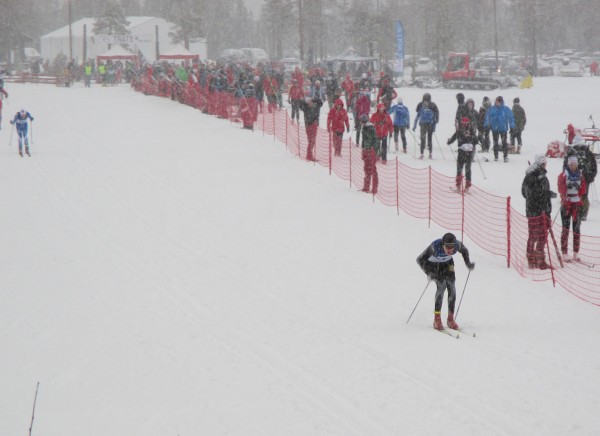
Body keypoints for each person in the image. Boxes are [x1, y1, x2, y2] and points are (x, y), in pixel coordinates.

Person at [416, 232, 475, 331]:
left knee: (452, 288)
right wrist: (429, 272)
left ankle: (450, 319)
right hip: (434, 266)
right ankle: (437, 319)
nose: (450, 250)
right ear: (443, 244)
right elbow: (420, 260)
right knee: (442, 286)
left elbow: (464, 250)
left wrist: (468, 263)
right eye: (447, 247)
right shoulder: (435, 246)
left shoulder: (456, 245)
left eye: (451, 247)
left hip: (448, 264)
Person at [521, 155, 557, 269]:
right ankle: (533, 259)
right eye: (544, 163)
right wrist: (544, 195)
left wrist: (547, 193)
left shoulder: (540, 174)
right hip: (536, 211)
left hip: (543, 209)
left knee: (542, 235)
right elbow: (527, 193)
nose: (545, 164)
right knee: (535, 235)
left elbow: (535, 192)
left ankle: (538, 258)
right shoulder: (532, 176)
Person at [558, 155, 587, 260]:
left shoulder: (581, 176)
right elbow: (560, 186)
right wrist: (564, 191)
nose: (573, 166)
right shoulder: (563, 175)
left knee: (576, 229)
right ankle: (564, 252)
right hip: (566, 203)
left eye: (574, 164)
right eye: (571, 164)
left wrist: (579, 190)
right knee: (565, 229)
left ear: (577, 164)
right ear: (568, 165)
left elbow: (583, 189)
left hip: (577, 204)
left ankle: (576, 251)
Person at [564, 135, 597, 221]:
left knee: (572, 195)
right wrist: (590, 178)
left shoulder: (571, 152)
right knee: (584, 196)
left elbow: (565, 166)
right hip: (585, 179)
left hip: (571, 178)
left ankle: (572, 212)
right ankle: (583, 214)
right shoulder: (588, 152)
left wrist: (566, 177)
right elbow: (594, 166)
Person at [447, 117, 478, 191]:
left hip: (462, 152)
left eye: (465, 123)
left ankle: (460, 186)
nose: (464, 124)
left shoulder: (461, 130)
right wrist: (471, 138)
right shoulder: (470, 130)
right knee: (467, 169)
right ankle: (466, 186)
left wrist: (449, 142)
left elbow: (453, 138)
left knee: (460, 168)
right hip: (468, 152)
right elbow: (476, 141)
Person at [484, 95, 515, 162]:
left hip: (503, 129)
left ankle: (505, 156)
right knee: (495, 143)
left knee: (504, 143)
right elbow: (487, 117)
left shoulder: (506, 109)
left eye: (498, 101)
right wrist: (487, 125)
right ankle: (496, 156)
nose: (497, 102)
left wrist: (512, 127)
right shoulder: (492, 109)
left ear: (501, 102)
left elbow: (511, 118)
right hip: (494, 129)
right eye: (496, 101)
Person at [359, 114, 379, 194]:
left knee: (372, 170)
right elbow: (365, 141)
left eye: (361, 121)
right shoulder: (365, 128)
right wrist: (364, 149)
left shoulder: (369, 128)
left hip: (371, 151)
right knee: (367, 169)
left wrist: (371, 150)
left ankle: (374, 188)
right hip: (367, 151)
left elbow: (372, 140)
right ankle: (366, 187)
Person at [300, 96, 323, 161]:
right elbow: (300, 104)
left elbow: (320, 102)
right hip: (308, 126)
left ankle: (309, 155)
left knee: (313, 141)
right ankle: (309, 155)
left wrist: (313, 99)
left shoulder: (316, 107)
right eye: (308, 102)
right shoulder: (305, 108)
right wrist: (304, 100)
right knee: (311, 141)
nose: (310, 103)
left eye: (310, 101)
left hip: (315, 126)